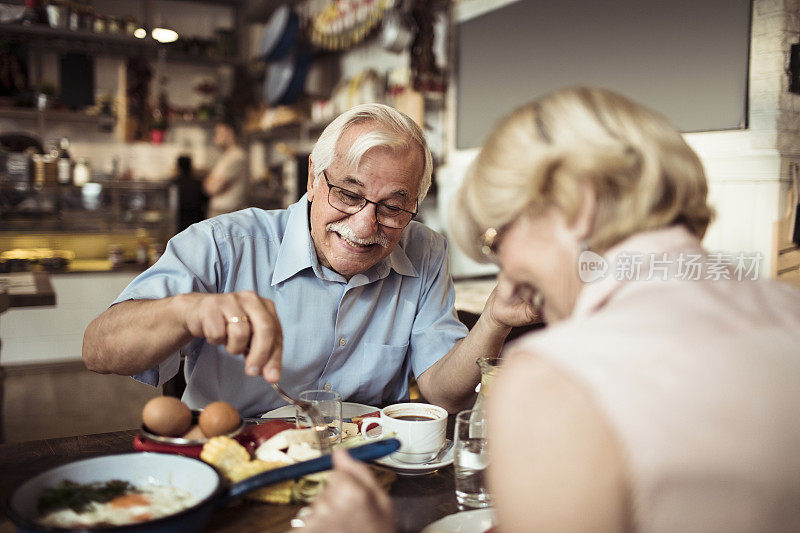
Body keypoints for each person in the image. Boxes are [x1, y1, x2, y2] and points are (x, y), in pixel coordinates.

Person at [298, 87, 800, 532]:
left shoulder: (557, 379)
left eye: (498, 239)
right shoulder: (788, 308)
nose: (509, 272)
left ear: (577, 205)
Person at [82, 103, 536, 416]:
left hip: (365, 474)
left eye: (393, 207)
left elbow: (442, 392)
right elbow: (99, 351)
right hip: (235, 464)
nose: (363, 226)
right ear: (313, 181)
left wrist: (494, 319)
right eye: (348, 194)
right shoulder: (225, 243)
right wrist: (189, 310)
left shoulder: (425, 249)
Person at [203, 119, 248, 218]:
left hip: (227, 213)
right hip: (221, 212)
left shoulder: (236, 156)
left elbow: (212, 188)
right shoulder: (227, 156)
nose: (215, 136)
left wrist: (210, 181)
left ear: (229, 133)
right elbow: (209, 185)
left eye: (218, 133)